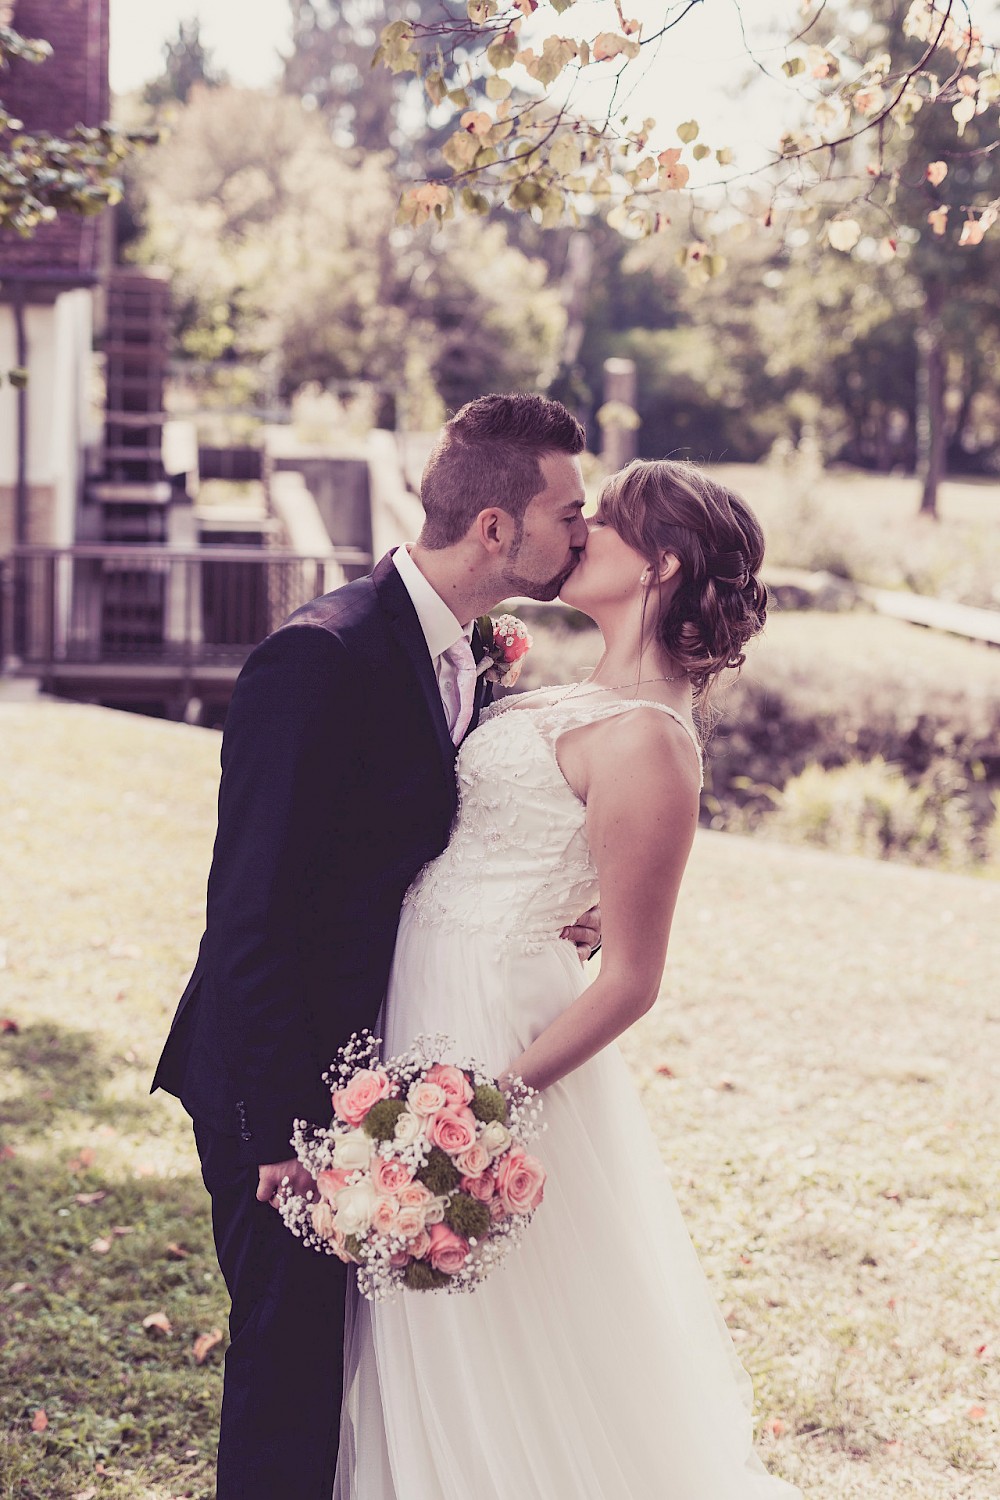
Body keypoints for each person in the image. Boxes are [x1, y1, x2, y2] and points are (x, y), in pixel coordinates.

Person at [150, 393, 602, 1500]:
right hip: (280, 1085)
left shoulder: (467, 654)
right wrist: (276, 1132)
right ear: (496, 529)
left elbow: (399, 854)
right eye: (568, 511)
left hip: (373, 1074)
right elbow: (248, 913)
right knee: (287, 1369)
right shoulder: (319, 657)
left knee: (349, 1373)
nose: (582, 533)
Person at [335, 457, 802, 1498]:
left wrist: (487, 1105)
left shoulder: (650, 739)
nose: (580, 530)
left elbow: (633, 978)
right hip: (425, 983)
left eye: (607, 521)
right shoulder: (574, 691)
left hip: (498, 1039)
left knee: (500, 1327)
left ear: (661, 564)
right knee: (422, 1316)